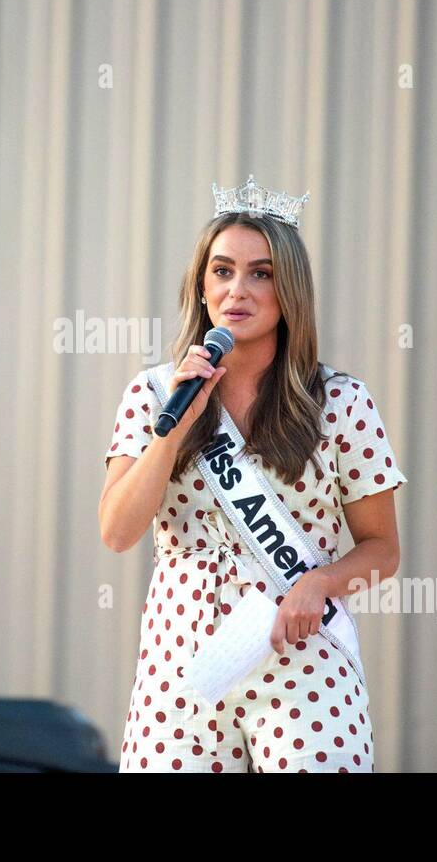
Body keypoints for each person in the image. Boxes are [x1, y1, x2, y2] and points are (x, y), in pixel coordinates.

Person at [99, 175, 407, 773]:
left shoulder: (341, 402)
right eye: (222, 271)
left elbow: (382, 550)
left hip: (302, 662)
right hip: (183, 668)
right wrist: (175, 429)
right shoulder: (154, 394)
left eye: (261, 273)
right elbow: (117, 532)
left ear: (289, 291)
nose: (238, 289)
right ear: (202, 285)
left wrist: (320, 583)